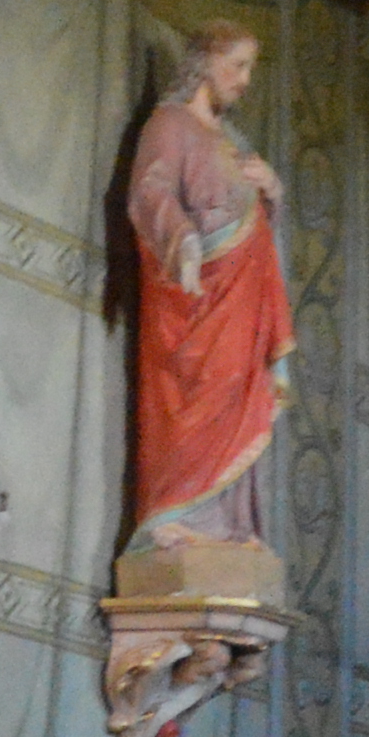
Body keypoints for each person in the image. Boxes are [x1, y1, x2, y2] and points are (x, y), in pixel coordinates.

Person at [116, 30, 288, 572]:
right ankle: (171, 513)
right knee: (196, 395)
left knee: (240, 395)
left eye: (249, 68)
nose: (244, 80)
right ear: (205, 63)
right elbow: (150, 188)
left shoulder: (234, 141)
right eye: (236, 65)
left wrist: (273, 193)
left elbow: (252, 225)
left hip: (243, 298)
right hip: (195, 297)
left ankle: (229, 525)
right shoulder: (171, 124)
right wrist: (183, 239)